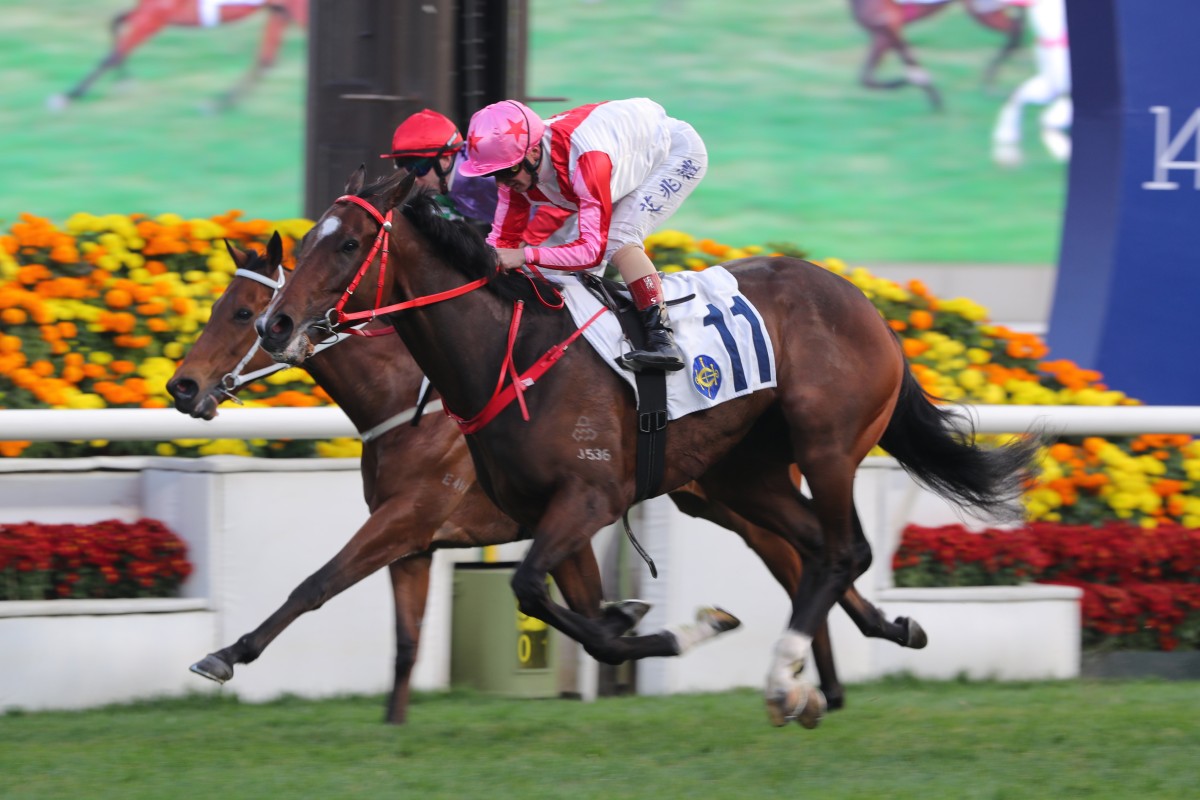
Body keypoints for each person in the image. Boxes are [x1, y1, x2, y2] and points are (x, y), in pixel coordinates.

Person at [459, 98, 707, 372]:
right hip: (622, 157)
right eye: (492, 175)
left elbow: (591, 253)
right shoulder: (518, 168)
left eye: (506, 171)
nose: (502, 182)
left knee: (617, 239)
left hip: (673, 153)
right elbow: (500, 244)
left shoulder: (584, 162)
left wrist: (523, 255)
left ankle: (662, 338)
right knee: (564, 260)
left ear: (531, 153)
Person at [380, 108, 498, 231]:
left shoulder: (487, 174)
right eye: (408, 169)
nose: (414, 178)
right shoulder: (442, 189)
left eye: (419, 168)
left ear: (446, 160)